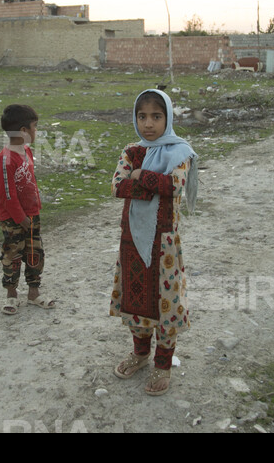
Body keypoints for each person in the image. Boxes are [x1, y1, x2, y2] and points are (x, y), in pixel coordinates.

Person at [110, 89, 197, 397]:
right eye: (142, 116)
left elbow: (174, 186)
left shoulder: (180, 152)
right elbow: (118, 187)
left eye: (156, 117)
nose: (148, 124)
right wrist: (147, 182)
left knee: (166, 302)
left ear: (168, 118)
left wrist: (140, 177)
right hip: (132, 237)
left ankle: (163, 364)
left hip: (165, 242)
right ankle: (140, 352)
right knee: (135, 297)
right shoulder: (132, 150)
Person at [0, 104, 54, 315]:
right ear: (22, 131)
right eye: (34, 127)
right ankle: (11, 295)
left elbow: (30, 182)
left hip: (32, 214)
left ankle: (33, 293)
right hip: (13, 219)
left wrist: (34, 208)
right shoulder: (4, 160)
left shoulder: (26, 151)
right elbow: (7, 195)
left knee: (35, 252)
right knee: (13, 255)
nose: (36, 131)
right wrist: (20, 218)